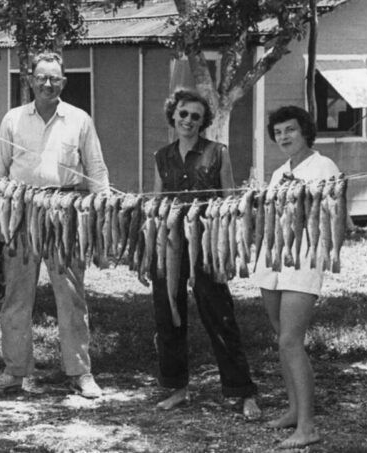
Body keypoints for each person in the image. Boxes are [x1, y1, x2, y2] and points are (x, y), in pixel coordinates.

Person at [0, 51, 110, 398]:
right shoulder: (12, 119)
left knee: (71, 295)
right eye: (42, 78)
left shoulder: (79, 119)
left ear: (64, 83)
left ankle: (80, 372)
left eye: (55, 78)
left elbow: (96, 170)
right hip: (22, 212)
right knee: (16, 296)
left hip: (65, 212)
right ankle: (13, 372)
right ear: (30, 81)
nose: (48, 84)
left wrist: (103, 214)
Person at [151, 89, 261, 419]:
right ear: (173, 115)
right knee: (168, 312)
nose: (188, 120)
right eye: (183, 113)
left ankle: (242, 390)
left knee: (219, 313)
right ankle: (177, 387)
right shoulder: (161, 156)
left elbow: (229, 199)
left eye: (195, 116)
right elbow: (157, 202)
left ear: (204, 122)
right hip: (170, 241)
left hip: (207, 240)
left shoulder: (218, 152)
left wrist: (226, 244)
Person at [252, 105, 340, 449]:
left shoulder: (324, 166)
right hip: (274, 257)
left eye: (290, 129)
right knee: (281, 339)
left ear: (305, 131)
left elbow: (331, 213)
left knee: (291, 341)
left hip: (304, 258)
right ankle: (293, 411)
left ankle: (308, 426)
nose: (284, 136)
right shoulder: (279, 172)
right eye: (278, 132)